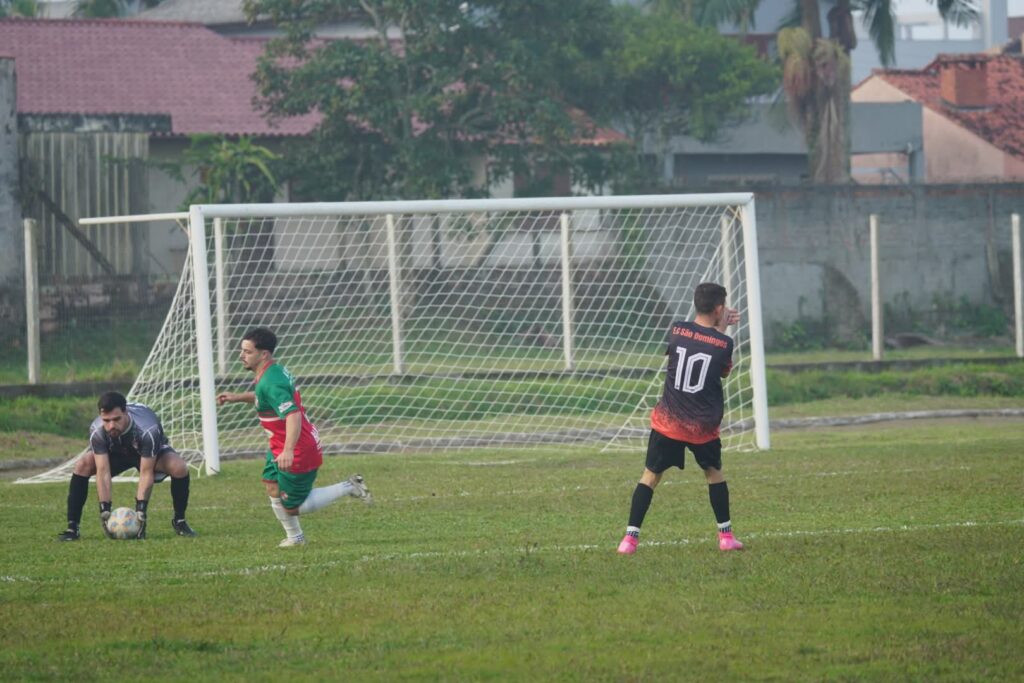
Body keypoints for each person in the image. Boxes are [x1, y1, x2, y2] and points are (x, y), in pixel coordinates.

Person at [617, 282, 744, 554]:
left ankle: (629, 540)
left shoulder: (677, 330)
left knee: (650, 476)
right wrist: (722, 330)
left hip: (668, 421)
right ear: (719, 309)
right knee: (713, 473)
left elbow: (690, 348)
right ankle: (726, 537)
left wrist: (717, 327)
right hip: (702, 426)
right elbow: (721, 370)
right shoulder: (725, 343)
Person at [217, 327, 372, 547]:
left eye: (247, 352)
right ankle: (295, 537)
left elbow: (292, 414)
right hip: (280, 444)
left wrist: (288, 450)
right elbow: (265, 397)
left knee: (293, 507)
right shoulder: (272, 371)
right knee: (272, 486)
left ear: (264, 354)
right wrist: (237, 397)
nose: (241, 355)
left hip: (298, 448)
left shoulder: (271, 381)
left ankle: (350, 486)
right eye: (242, 350)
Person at [57, 391, 198, 541]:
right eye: (106, 420)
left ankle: (179, 521)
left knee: (178, 467)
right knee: (82, 464)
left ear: (126, 412)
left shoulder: (147, 429)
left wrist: (140, 512)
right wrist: (105, 510)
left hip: (146, 454)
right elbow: (103, 471)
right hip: (116, 454)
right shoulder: (97, 430)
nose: (111, 425)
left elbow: (146, 472)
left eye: (116, 419)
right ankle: (72, 528)